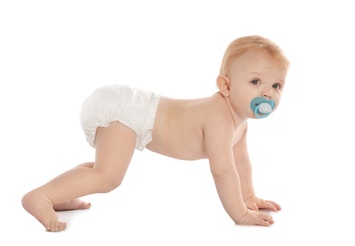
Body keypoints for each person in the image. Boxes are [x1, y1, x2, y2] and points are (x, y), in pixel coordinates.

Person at [22, 35, 290, 232]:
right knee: (108, 177)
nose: (267, 93)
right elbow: (223, 170)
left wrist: (248, 197)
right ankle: (41, 197)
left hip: (140, 111)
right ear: (226, 86)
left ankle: (61, 194)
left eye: (276, 85)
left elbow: (240, 163)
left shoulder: (239, 123)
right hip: (129, 113)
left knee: (101, 168)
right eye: (256, 82)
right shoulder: (219, 116)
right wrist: (240, 213)